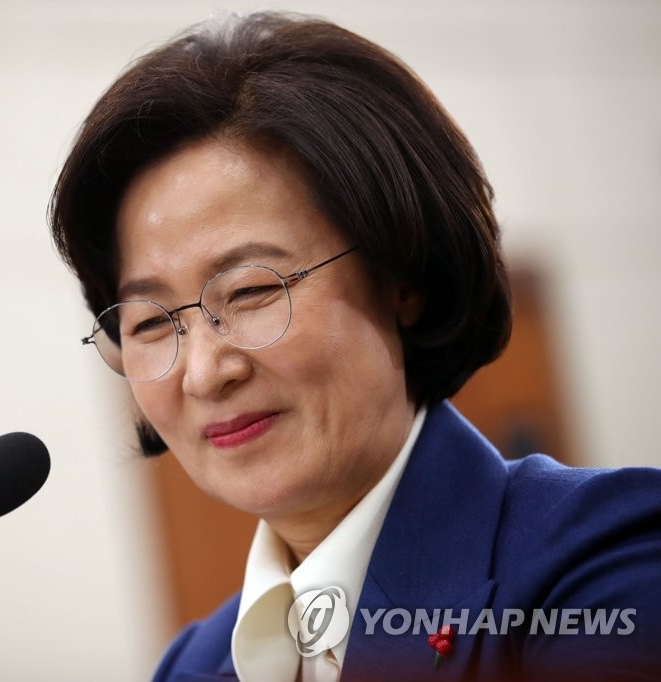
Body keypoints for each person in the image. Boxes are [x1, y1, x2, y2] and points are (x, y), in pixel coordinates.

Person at [49, 11, 661, 682]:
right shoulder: (192, 666)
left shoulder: (606, 565)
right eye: (149, 323)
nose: (203, 372)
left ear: (404, 280)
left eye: (251, 291)